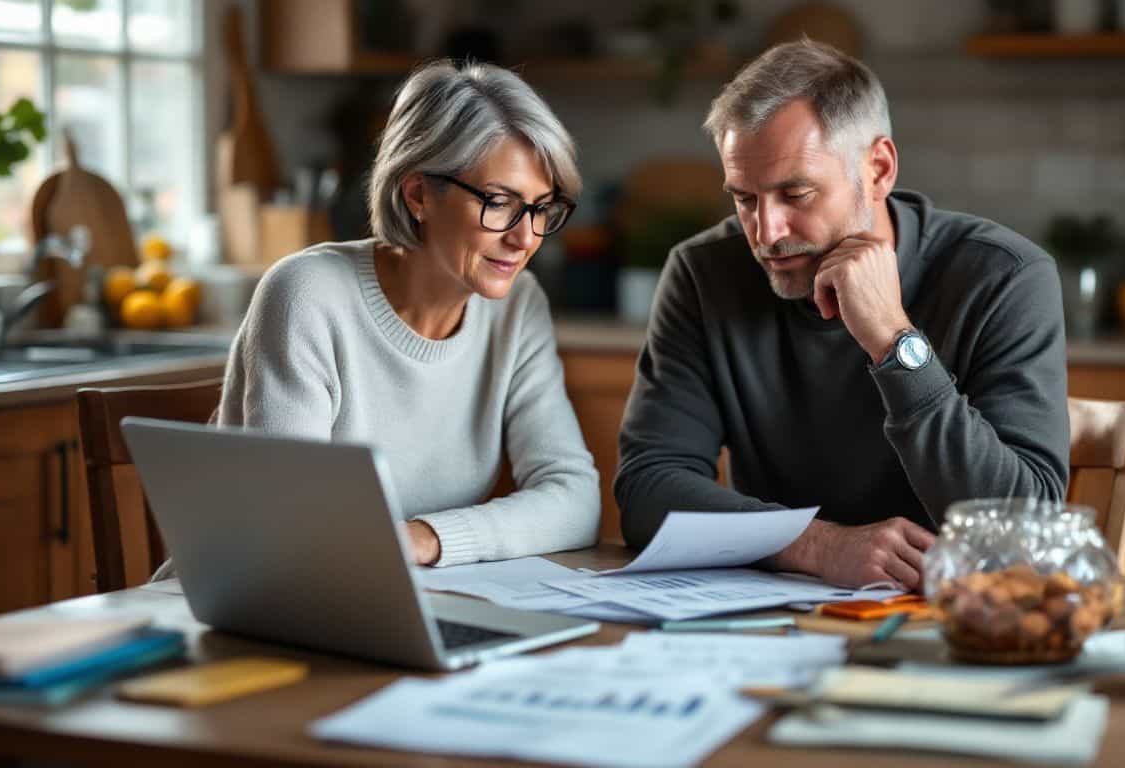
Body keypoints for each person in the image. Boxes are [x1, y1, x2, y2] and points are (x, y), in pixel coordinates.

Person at [615, 40, 1069, 590]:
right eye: (744, 198)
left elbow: (1026, 532)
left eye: (796, 193)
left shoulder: (1004, 278)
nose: (766, 232)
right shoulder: (702, 274)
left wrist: (893, 341)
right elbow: (647, 487)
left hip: (953, 621)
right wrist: (817, 546)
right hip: (765, 621)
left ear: (877, 169)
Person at [216, 60, 600, 568]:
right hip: (253, 602)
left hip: (405, 595)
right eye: (500, 202)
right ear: (418, 194)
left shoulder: (518, 306)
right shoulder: (307, 295)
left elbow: (575, 500)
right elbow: (293, 528)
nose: (525, 237)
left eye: (541, 208)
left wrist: (425, 539)